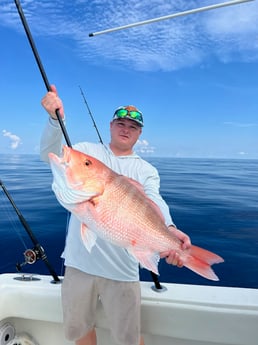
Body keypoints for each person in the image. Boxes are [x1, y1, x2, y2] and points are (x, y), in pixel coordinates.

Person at [40, 85, 191, 345]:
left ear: (139, 134)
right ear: (111, 125)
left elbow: (154, 200)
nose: (125, 129)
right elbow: (49, 154)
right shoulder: (88, 150)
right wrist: (55, 120)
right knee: (79, 332)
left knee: (129, 339)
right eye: (120, 123)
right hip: (79, 266)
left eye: (132, 127)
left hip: (123, 271)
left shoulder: (145, 169)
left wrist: (170, 228)